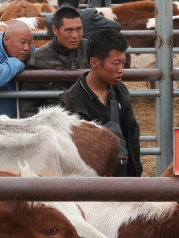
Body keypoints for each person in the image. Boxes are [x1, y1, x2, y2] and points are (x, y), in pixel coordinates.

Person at [59, 31, 142, 177]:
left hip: (123, 178)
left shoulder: (120, 91)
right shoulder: (71, 101)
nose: (121, 69)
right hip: (90, 184)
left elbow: (131, 133)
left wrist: (136, 173)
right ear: (94, 62)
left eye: (123, 63)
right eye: (116, 63)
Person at [19, 5, 88, 118]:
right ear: (55, 30)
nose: (75, 36)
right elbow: (28, 106)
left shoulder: (91, 50)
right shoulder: (38, 60)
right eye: (69, 30)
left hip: (89, 122)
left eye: (79, 29)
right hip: (55, 125)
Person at [45, 0, 121, 38]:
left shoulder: (49, 19)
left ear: (58, 3)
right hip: (85, 58)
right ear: (79, 3)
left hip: (60, 59)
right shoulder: (89, 15)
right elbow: (116, 26)